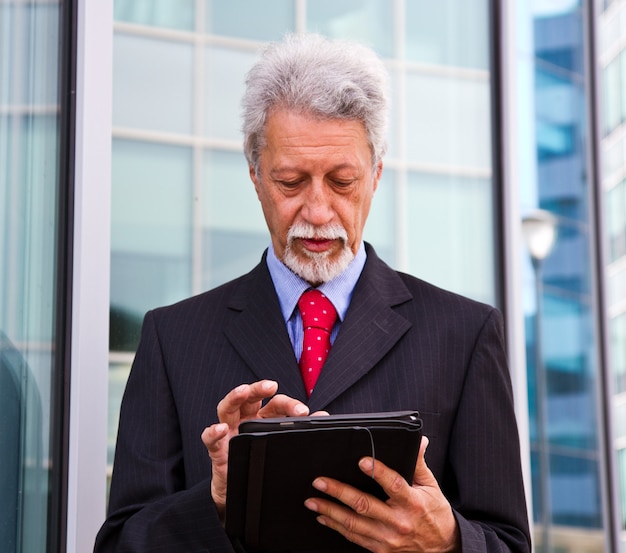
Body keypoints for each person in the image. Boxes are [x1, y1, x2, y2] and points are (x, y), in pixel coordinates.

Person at [94, 33, 531, 553]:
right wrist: (213, 501)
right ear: (255, 176)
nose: (318, 212)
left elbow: (508, 542)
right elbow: (121, 543)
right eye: (291, 181)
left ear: (376, 176)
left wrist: (450, 541)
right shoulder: (173, 336)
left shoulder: (465, 333)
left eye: (342, 181)